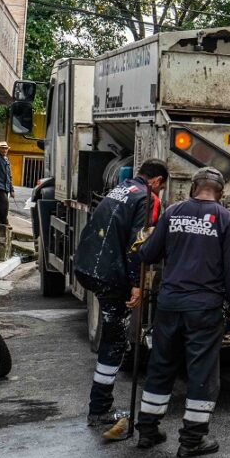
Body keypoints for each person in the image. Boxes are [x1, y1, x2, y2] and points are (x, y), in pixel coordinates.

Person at [135, 167, 230, 458]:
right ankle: (192, 440)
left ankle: (147, 431)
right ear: (220, 193)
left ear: (194, 187)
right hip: (204, 309)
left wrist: (141, 241)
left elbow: (149, 254)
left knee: (161, 365)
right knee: (202, 372)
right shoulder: (227, 219)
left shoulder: (172, 212)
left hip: (169, 304)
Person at [74, 159, 168, 427]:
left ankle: (100, 406)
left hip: (88, 267)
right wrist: (136, 283)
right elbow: (137, 244)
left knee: (113, 337)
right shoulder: (148, 198)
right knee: (115, 343)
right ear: (157, 182)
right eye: (160, 188)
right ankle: (100, 409)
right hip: (111, 276)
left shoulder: (120, 189)